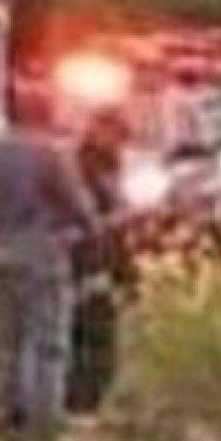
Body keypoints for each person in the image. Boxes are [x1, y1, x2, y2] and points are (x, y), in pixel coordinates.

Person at [0, 126, 103, 438]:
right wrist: (89, 231)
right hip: (41, 258)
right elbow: (81, 209)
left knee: (6, 341)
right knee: (45, 343)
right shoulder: (51, 154)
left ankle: (4, 411)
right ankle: (39, 421)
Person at [68, 112, 134, 415]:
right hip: (85, 267)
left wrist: (127, 274)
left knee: (99, 341)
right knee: (87, 338)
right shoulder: (81, 170)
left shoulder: (110, 171)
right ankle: (78, 402)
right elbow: (82, 222)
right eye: (115, 137)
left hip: (102, 265)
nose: (119, 145)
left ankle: (87, 401)